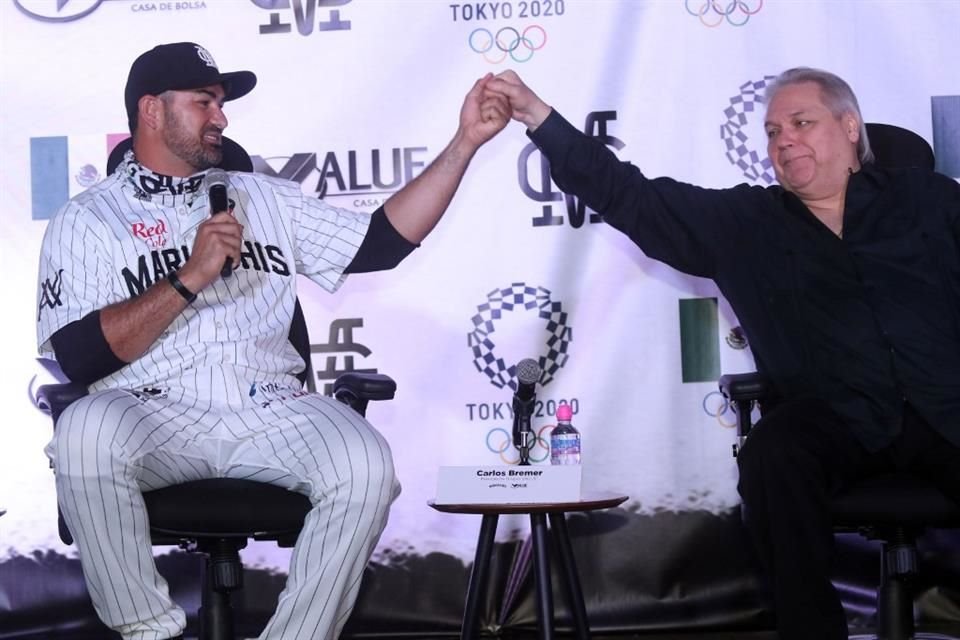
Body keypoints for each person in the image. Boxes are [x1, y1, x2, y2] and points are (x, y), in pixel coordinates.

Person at [36, 42, 509, 640]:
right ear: (151, 112)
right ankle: (151, 633)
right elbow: (79, 357)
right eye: (204, 101)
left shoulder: (263, 195)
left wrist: (464, 142)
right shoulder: (88, 219)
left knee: (364, 462)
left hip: (267, 407)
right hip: (150, 413)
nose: (221, 117)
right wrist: (189, 277)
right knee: (82, 432)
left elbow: (382, 244)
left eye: (222, 103)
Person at [486, 68, 960, 639]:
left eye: (801, 122)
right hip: (835, 419)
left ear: (850, 126)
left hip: (945, 407)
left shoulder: (928, 200)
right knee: (772, 454)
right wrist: (539, 115)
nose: (783, 139)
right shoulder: (746, 224)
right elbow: (630, 195)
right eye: (772, 131)